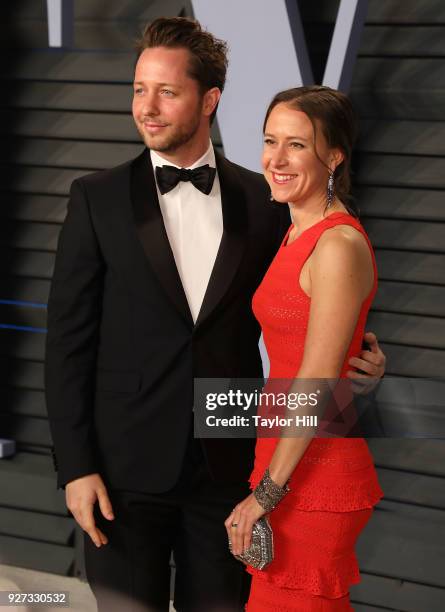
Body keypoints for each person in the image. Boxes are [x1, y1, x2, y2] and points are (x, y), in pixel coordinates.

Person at [45, 18, 385, 612]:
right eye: (138, 89)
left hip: (232, 466)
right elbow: (66, 344)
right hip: (123, 472)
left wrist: (363, 358)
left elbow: (310, 314)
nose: (147, 108)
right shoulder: (94, 198)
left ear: (210, 101)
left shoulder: (267, 201)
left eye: (167, 92)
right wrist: (75, 467)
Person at [225, 86, 384, 611]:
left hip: (315, 473)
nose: (276, 158)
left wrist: (264, 496)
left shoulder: (336, 244)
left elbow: (315, 384)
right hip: (283, 458)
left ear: (334, 155)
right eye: (271, 141)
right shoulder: (295, 231)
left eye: (297, 144)